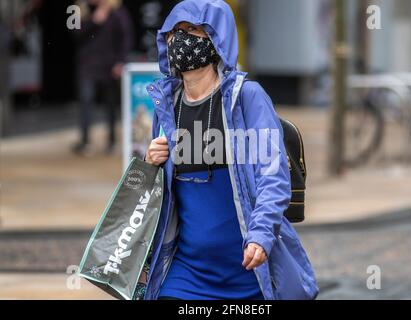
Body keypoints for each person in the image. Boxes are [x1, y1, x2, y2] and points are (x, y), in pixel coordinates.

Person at [141, 0, 318, 300]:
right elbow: (159, 193)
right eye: (176, 31)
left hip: (248, 272)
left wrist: (261, 237)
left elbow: (273, 177)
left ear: (215, 39)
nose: (182, 39)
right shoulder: (166, 105)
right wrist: (150, 164)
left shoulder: (247, 98)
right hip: (186, 273)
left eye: (193, 30)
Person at [72, 0, 133, 156]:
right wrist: (94, 21)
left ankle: (112, 141)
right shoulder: (76, 8)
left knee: (111, 104)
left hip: (109, 66)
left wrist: (121, 61)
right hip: (87, 65)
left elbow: (126, 36)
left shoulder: (117, 10)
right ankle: (85, 141)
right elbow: (72, 33)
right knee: (86, 101)